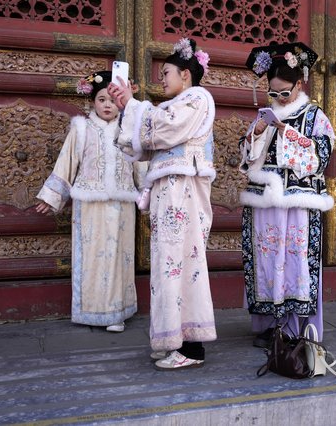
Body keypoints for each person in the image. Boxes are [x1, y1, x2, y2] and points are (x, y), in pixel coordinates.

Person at [108, 38, 217, 370]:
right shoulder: (181, 101)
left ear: (185, 75)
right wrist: (131, 106)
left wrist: (133, 105)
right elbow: (149, 137)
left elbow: (165, 129)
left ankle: (191, 347)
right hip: (171, 194)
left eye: (166, 73)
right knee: (170, 265)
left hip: (182, 193)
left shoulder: (197, 98)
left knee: (181, 264)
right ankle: (174, 339)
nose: (162, 80)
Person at [239, 42, 336, 348]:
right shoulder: (264, 117)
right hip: (264, 199)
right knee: (267, 261)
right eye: (274, 93)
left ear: (299, 84)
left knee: (295, 263)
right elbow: (247, 157)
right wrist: (255, 136)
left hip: (298, 203)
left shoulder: (314, 116)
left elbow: (322, 154)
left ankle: (296, 328)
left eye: (285, 92)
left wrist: (286, 132)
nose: (280, 98)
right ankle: (271, 326)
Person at [35, 70, 140, 332]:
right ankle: (90, 311)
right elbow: (66, 163)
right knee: (93, 258)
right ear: (92, 100)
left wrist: (152, 194)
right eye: (102, 99)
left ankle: (116, 313)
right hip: (89, 205)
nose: (108, 105)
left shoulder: (130, 130)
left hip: (122, 204)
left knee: (118, 257)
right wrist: (52, 196)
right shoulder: (81, 128)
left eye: (113, 100)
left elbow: (142, 165)